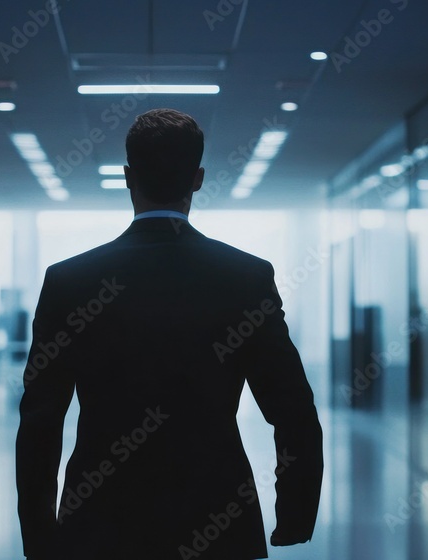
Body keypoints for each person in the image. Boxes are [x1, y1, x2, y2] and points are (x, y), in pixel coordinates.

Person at [16, 108, 323, 559]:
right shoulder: (244, 277)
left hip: (100, 521)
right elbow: (293, 408)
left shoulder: (71, 281)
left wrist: (39, 535)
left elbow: (41, 420)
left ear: (127, 176)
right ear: (197, 178)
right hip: (217, 518)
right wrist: (295, 514)